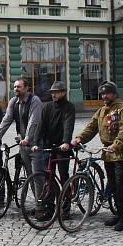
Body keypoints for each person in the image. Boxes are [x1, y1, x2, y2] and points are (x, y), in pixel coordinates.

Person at [72, 81, 123, 231]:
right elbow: (91, 127)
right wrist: (79, 138)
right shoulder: (101, 111)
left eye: (107, 93)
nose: (104, 96)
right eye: (102, 94)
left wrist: (116, 144)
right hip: (107, 154)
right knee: (112, 185)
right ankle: (118, 214)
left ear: (114, 94)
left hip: (120, 154)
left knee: (120, 187)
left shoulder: (122, 109)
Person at [33, 81, 76, 217]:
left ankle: (66, 208)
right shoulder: (47, 107)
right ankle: (49, 209)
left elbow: (68, 125)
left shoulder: (69, 107)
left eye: (56, 92)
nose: (54, 95)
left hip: (62, 148)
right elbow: (41, 127)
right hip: (48, 147)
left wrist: (66, 142)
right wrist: (36, 143)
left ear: (63, 92)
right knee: (48, 179)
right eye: (52, 92)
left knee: (64, 177)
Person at [0, 78, 44, 178]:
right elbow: (6, 120)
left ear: (26, 88)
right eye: (15, 87)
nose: (16, 89)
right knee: (29, 175)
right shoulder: (13, 101)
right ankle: (35, 193)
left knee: (37, 176)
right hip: (23, 144)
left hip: (36, 143)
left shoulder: (34, 100)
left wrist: (27, 138)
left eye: (19, 87)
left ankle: (42, 194)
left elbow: (33, 122)